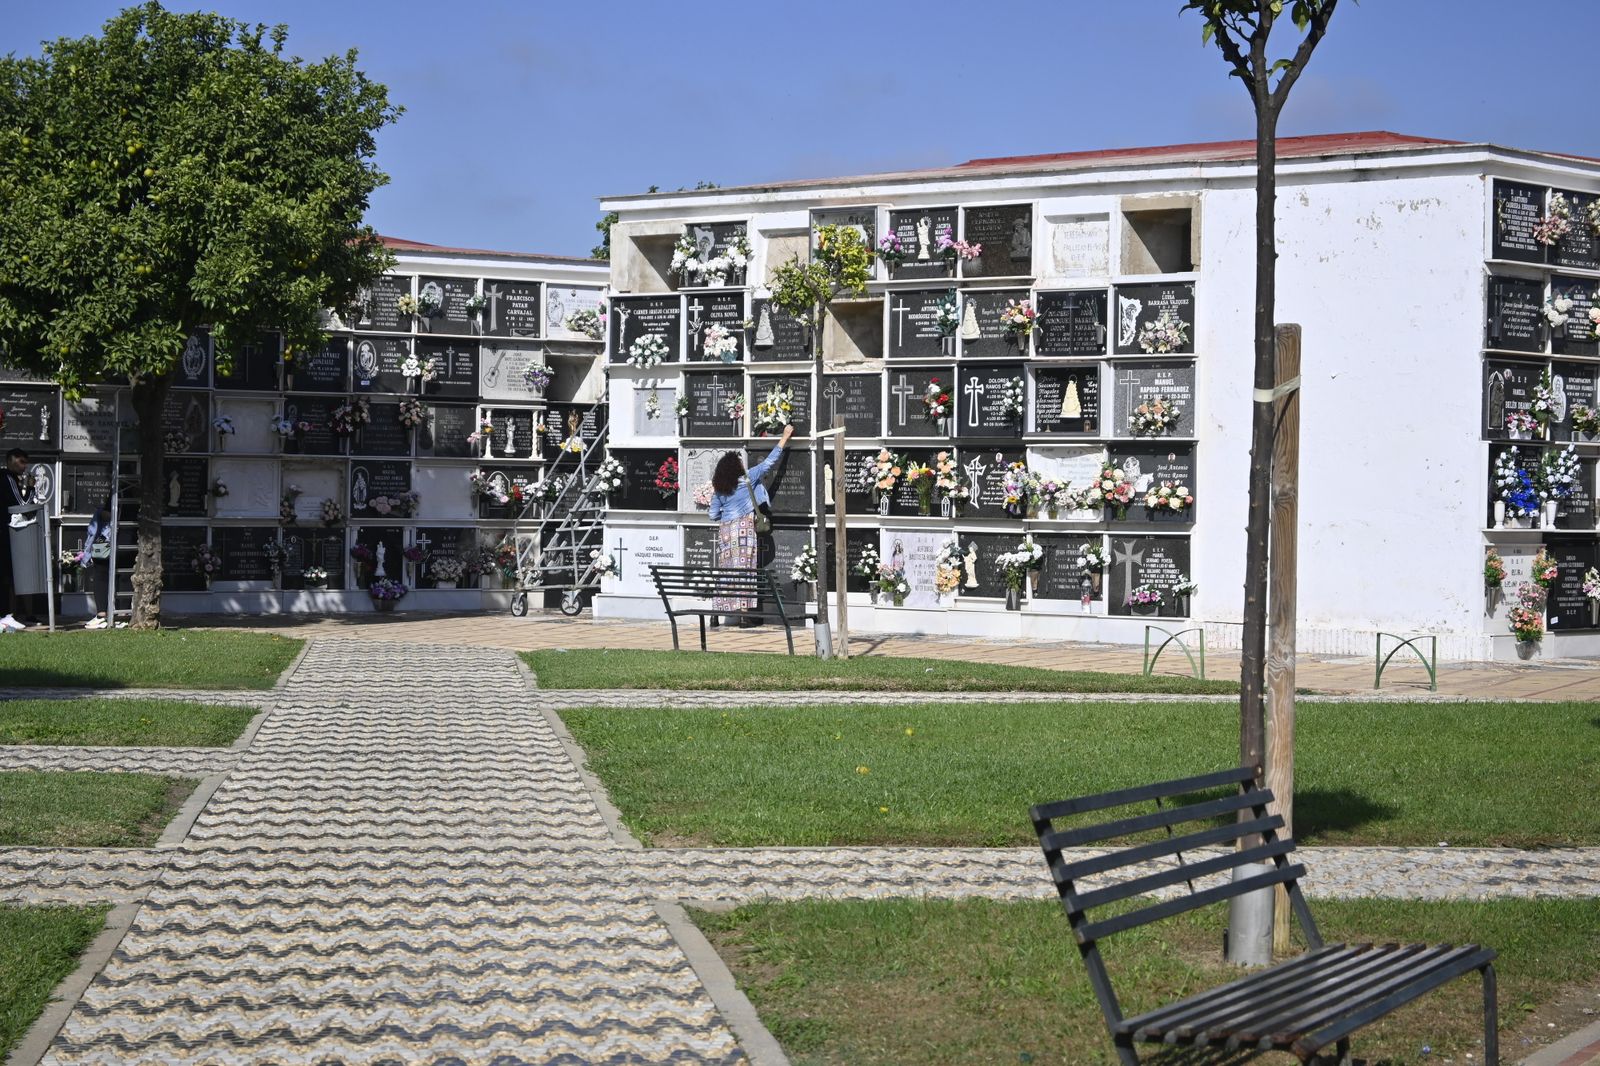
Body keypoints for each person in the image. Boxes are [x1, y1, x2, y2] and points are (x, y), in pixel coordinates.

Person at [707, 423, 794, 626]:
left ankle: (716, 612)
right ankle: (745, 614)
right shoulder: (748, 478)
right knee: (745, 570)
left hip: (726, 531)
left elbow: (712, 515)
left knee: (726, 571)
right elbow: (770, 462)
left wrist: (725, 511)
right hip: (744, 530)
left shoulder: (719, 488)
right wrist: (785, 436)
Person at [2, 448, 32, 631]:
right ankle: (5, 615)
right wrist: (29, 487)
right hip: (4, 531)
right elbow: (22, 505)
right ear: (11, 461)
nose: (24, 466)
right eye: (21, 462)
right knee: (6, 575)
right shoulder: (8, 477)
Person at [79, 500, 114, 629]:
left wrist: (87, 554)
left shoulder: (103, 512)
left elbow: (93, 532)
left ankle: (101, 615)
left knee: (100, 578)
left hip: (104, 546)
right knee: (122, 578)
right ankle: (123, 614)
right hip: (126, 541)